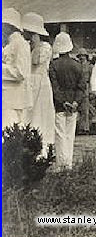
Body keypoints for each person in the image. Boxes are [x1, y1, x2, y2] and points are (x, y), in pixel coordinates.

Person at [49, 32, 85, 169]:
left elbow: (55, 86)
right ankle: (68, 164)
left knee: (60, 134)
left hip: (59, 104)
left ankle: (61, 164)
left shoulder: (54, 65)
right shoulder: (77, 65)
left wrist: (62, 101)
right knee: (70, 134)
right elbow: (81, 87)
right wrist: (75, 102)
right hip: (73, 104)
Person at [23, 12, 55, 156]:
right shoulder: (27, 46)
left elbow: (35, 61)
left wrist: (35, 44)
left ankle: (42, 150)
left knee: (40, 115)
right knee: (28, 115)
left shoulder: (45, 47)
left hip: (41, 84)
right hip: (29, 83)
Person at [2, 8, 33, 130]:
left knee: (9, 131)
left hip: (13, 100)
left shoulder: (20, 44)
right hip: (8, 98)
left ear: (10, 26)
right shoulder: (11, 44)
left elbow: (21, 72)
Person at [76, 48, 93, 134]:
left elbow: (91, 79)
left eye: (83, 56)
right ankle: (79, 127)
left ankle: (85, 128)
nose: (82, 57)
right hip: (77, 87)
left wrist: (90, 89)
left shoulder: (90, 66)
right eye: (80, 56)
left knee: (85, 109)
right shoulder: (77, 65)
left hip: (86, 87)